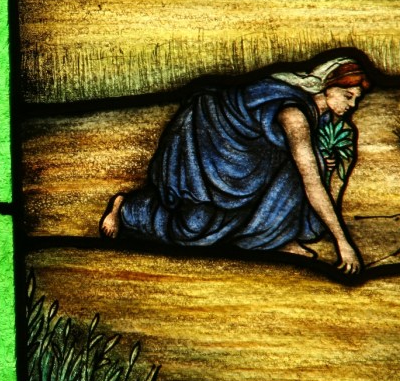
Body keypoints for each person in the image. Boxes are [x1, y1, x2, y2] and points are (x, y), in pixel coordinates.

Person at [99, 50, 370, 274]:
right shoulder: (294, 115)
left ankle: (272, 239)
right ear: (327, 86)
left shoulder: (320, 118)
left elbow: (304, 169)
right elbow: (312, 183)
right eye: (348, 95)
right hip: (216, 150)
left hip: (252, 165)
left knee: (307, 166)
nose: (353, 105)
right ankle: (126, 208)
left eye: (357, 98)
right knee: (192, 231)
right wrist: (343, 243)